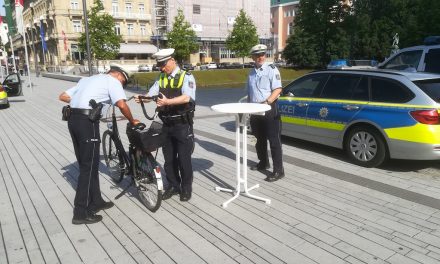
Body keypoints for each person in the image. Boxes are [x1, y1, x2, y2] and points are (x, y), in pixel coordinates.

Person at [59, 64, 141, 225]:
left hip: (73, 120)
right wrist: (133, 120)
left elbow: (63, 96)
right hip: (87, 122)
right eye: (124, 82)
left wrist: (83, 102)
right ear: (119, 75)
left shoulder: (87, 79)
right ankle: (80, 212)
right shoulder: (113, 81)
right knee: (88, 167)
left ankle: (96, 201)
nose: (122, 85)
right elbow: (122, 104)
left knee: (89, 163)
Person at [135, 48, 196, 202]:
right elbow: (152, 93)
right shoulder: (161, 77)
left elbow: (186, 98)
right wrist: (143, 98)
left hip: (182, 124)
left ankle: (186, 188)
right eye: (159, 65)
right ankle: (174, 185)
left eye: (163, 64)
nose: (162, 68)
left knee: (184, 159)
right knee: (169, 159)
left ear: (172, 61)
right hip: (166, 124)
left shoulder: (186, 76)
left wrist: (167, 102)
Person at [246, 44, 284, 182]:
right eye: (257, 55)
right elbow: (250, 94)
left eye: (262, 54)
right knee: (259, 140)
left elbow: (278, 89)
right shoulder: (251, 73)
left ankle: (278, 171)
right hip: (255, 110)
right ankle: (263, 162)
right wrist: (248, 110)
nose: (260, 57)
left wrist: (267, 102)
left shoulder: (272, 69)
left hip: (269, 109)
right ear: (253, 57)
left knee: (274, 141)